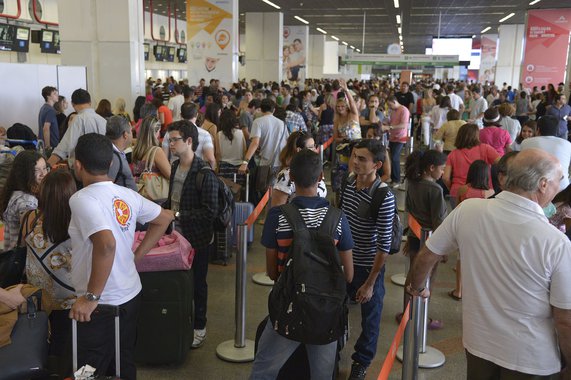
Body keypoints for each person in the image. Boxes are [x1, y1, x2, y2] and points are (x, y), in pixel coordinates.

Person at [407, 148, 571, 380]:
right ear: (543, 184)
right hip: (531, 359)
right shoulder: (556, 243)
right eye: (559, 180)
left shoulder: (468, 210)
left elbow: (427, 255)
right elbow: (565, 319)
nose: (559, 187)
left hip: (478, 346)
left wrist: (417, 288)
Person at [68, 133, 172, 380]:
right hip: (129, 295)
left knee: (87, 371)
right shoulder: (126, 194)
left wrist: (91, 297)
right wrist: (135, 257)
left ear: (78, 164)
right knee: (122, 363)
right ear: (111, 163)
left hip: (101, 305)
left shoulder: (82, 199)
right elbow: (164, 218)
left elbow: (106, 245)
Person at [251, 149, 354, 380]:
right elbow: (348, 275)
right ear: (320, 178)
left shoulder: (277, 217)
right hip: (326, 311)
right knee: (322, 374)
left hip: (289, 307)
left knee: (263, 370)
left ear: (292, 178)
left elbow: (272, 272)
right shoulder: (338, 218)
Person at [338, 139, 395, 380]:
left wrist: (370, 283)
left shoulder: (384, 197)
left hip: (368, 266)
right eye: (354, 156)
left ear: (377, 165)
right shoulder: (349, 182)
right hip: (343, 262)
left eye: (362, 159)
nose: (355, 162)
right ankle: (332, 350)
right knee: (335, 309)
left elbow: (383, 246)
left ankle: (361, 362)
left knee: (370, 317)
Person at [165, 120, 219, 349]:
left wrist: (177, 215)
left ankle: (199, 326)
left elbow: (209, 212)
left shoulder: (204, 172)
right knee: (180, 282)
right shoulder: (176, 166)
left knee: (198, 284)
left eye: (174, 140)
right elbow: (172, 198)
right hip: (176, 236)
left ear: (189, 141)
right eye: (169, 140)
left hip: (197, 239)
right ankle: (182, 322)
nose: (170, 145)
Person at [23, 170, 77, 376]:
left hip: (38, 300)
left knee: (44, 350)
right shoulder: (77, 228)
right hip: (71, 305)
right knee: (69, 355)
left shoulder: (30, 219)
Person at [400, 149, 447, 327]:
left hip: (414, 237)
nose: (443, 172)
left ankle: (406, 312)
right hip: (430, 241)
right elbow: (438, 221)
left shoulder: (412, 182)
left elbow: (410, 212)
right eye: (441, 169)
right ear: (431, 168)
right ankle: (421, 317)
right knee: (426, 278)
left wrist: (410, 234)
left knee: (412, 274)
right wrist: (442, 248)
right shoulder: (435, 189)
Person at [443, 123, 500, 208]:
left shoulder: (453, 153)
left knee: (458, 219)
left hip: (457, 192)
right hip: (482, 192)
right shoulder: (486, 148)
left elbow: (445, 177)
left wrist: (452, 188)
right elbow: (502, 163)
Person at [48, 89, 107, 167]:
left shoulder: (78, 119)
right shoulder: (103, 120)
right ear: (90, 102)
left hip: (83, 169)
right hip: (102, 167)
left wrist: (46, 166)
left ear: (73, 104)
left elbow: (63, 149)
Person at [0, 151, 46, 250]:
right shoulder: (27, 202)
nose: (43, 174)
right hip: (22, 259)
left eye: (45, 168)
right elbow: (32, 238)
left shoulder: (14, 192)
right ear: (24, 174)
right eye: (36, 170)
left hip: (10, 253)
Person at [271, 131, 327, 207]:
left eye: (314, 146)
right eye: (311, 147)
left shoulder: (315, 169)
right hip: (293, 218)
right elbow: (277, 208)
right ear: (299, 150)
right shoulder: (286, 175)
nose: (315, 150)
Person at [238, 99, 288, 181]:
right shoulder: (282, 123)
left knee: (263, 190)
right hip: (280, 163)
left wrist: (245, 162)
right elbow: (287, 143)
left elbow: (255, 143)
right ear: (274, 110)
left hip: (265, 164)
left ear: (261, 109)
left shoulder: (258, 122)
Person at [521, 115, 571, 191]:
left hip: (534, 187)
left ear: (538, 130)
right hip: (562, 188)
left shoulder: (526, 142)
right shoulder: (567, 144)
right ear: (557, 130)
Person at [131, 116, 171, 184]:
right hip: (153, 191)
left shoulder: (136, 150)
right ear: (157, 131)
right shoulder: (156, 151)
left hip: (139, 189)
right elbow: (170, 175)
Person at [383, 95, 410, 187]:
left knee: (395, 158)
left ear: (394, 102)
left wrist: (390, 127)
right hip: (392, 136)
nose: (389, 107)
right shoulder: (392, 111)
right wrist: (386, 123)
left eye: (390, 105)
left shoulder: (404, 110)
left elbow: (403, 125)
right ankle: (393, 178)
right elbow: (390, 121)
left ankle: (397, 180)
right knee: (391, 158)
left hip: (400, 137)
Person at [105, 116, 137, 191]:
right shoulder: (114, 157)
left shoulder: (114, 151)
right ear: (125, 135)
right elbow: (106, 187)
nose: (132, 135)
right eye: (131, 131)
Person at [216, 109, 247, 182]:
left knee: (224, 191)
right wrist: (245, 164)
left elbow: (218, 153)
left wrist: (217, 167)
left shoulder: (219, 134)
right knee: (237, 190)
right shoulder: (240, 133)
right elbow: (245, 151)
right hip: (239, 167)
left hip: (224, 167)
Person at [38, 86, 60, 150]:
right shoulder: (50, 110)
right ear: (48, 96)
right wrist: (48, 146)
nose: (57, 96)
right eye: (54, 94)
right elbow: (46, 128)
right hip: (51, 144)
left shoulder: (43, 108)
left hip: (42, 143)